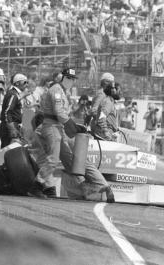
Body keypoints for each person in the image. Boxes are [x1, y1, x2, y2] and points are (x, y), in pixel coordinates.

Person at [29, 68, 114, 202]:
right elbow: (59, 112)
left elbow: (64, 114)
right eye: (69, 78)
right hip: (51, 126)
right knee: (53, 159)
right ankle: (36, 186)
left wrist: (73, 125)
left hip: (58, 127)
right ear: (63, 78)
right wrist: (72, 125)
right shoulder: (56, 90)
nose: (71, 81)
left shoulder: (63, 91)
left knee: (70, 160)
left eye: (73, 79)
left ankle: (86, 187)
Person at [0, 73, 28, 148]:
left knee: (12, 150)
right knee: (7, 151)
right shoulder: (13, 94)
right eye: (24, 82)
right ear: (17, 83)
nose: (26, 84)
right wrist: (12, 128)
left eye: (27, 82)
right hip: (9, 126)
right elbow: (7, 112)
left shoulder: (15, 94)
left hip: (13, 125)